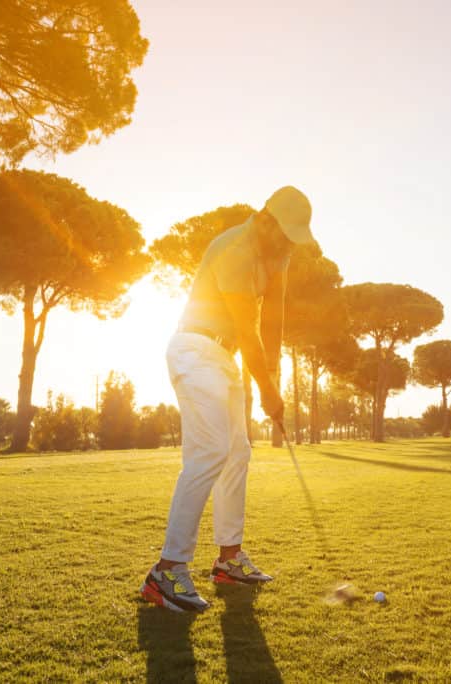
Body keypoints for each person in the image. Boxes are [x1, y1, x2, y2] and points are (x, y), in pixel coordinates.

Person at [140, 186, 314, 612]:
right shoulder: (235, 248)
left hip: (224, 358)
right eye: (286, 235)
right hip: (195, 350)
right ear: (266, 219)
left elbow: (272, 317)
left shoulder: (280, 253)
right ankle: (166, 572)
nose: (290, 244)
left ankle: (228, 561)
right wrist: (270, 393)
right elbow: (247, 327)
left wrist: (272, 378)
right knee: (211, 452)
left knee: (238, 453)